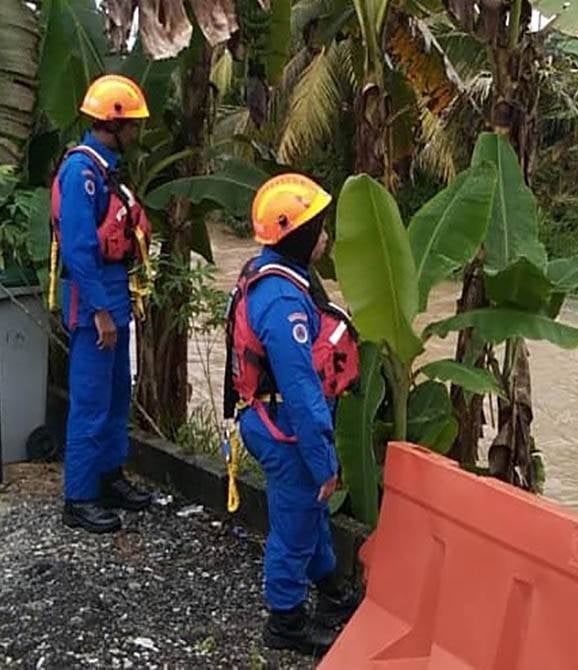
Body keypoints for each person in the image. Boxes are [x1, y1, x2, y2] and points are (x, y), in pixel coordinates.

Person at [223, 173, 362, 656]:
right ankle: (285, 622)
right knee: (295, 526)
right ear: (299, 237)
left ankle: (332, 593)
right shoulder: (283, 301)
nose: (325, 236)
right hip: (284, 428)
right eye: (319, 228)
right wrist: (325, 462)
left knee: (309, 514)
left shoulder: (271, 274)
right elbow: (301, 391)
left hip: (275, 418)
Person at [51, 74, 154, 534]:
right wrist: (98, 310)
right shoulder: (82, 173)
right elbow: (78, 249)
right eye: (133, 124)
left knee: (115, 396)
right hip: (93, 298)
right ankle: (79, 497)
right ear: (114, 124)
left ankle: (109, 476)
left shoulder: (106, 169)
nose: (137, 131)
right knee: (91, 401)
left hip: (114, 291)